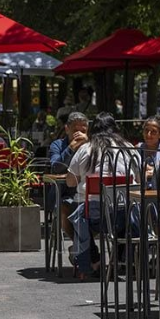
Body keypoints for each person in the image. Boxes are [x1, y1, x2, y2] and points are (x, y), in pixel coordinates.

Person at [66, 113, 139, 279]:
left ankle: (91, 261)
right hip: (122, 215)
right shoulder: (128, 147)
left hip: (93, 216)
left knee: (77, 215)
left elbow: (70, 182)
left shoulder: (86, 148)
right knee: (124, 214)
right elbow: (140, 179)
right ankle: (121, 259)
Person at [48, 112, 88, 242]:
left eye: (83, 130)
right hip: (64, 194)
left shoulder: (91, 145)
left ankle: (83, 249)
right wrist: (71, 148)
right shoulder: (57, 145)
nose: (79, 134)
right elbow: (56, 168)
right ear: (67, 129)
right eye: (75, 130)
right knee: (64, 209)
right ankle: (81, 247)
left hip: (88, 194)